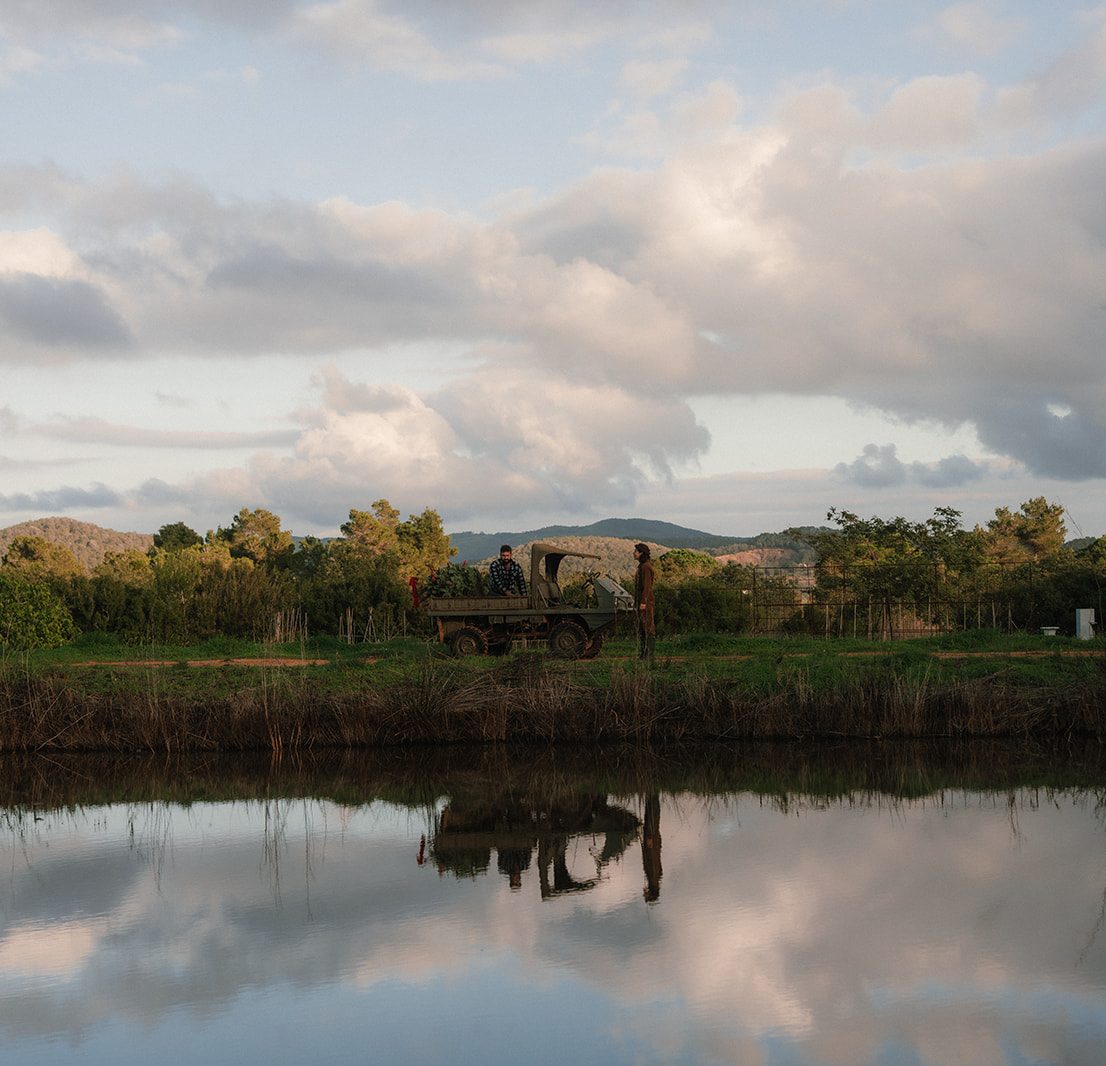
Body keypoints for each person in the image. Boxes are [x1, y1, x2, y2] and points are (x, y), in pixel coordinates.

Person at [633, 542, 655, 661]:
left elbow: (647, 587)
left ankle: (648, 654)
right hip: (642, 601)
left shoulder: (646, 567)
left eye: (636, 551)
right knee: (642, 627)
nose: (634, 553)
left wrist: (643, 602)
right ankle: (644, 653)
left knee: (647, 626)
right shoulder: (642, 566)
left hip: (646, 603)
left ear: (641, 553)